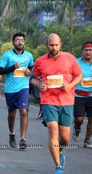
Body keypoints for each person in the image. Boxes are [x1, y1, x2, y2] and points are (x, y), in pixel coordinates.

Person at [31, 33, 82, 174]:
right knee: (53, 130)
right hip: (48, 101)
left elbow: (79, 75)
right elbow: (34, 79)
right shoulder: (40, 61)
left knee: (65, 139)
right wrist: (39, 84)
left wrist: (70, 86)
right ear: (46, 45)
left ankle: (59, 149)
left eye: (56, 45)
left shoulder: (70, 59)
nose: (53, 47)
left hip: (66, 101)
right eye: (51, 45)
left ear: (61, 44)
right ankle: (59, 166)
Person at [0, 32, 34, 149]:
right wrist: (13, 67)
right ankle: (12, 134)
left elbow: (31, 68)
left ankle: (23, 138)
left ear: (24, 42)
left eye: (22, 40)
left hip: (23, 87)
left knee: (23, 111)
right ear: (13, 42)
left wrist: (29, 72)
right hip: (10, 89)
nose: (20, 42)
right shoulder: (7, 56)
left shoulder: (28, 55)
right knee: (12, 113)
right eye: (17, 40)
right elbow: (0, 71)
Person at [72, 41, 92, 149]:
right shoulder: (76, 63)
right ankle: (77, 127)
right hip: (78, 95)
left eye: (90, 50)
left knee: (91, 119)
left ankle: (87, 140)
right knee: (79, 118)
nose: (88, 52)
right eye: (86, 50)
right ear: (82, 51)